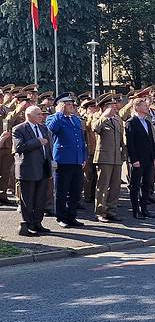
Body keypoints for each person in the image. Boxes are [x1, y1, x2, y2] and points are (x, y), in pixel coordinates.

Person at [45, 94, 88, 228]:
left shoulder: (75, 119)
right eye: (68, 104)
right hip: (63, 160)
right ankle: (61, 217)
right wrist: (58, 113)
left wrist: (84, 156)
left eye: (72, 104)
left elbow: (81, 140)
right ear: (61, 105)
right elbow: (51, 129)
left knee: (75, 191)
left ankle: (71, 216)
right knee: (61, 191)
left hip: (76, 160)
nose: (72, 107)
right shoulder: (53, 118)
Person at [12, 105, 52, 236]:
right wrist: (38, 142)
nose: (42, 116)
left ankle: (37, 222)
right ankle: (28, 224)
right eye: (38, 114)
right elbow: (19, 147)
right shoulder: (19, 129)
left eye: (41, 114)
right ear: (29, 116)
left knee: (40, 198)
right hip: (28, 169)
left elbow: (48, 146)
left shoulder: (43, 127)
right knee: (28, 199)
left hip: (43, 168)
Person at [91, 93, 124, 223]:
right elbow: (95, 128)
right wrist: (104, 116)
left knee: (115, 187)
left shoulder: (116, 119)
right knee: (103, 186)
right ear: (105, 106)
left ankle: (111, 211)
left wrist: (124, 154)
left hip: (116, 157)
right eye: (111, 105)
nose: (115, 107)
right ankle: (100, 212)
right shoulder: (97, 116)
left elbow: (121, 139)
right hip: (104, 157)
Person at [125, 97, 155, 219]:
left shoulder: (148, 123)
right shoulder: (131, 122)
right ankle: (136, 210)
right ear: (137, 107)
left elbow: (151, 141)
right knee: (135, 186)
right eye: (144, 106)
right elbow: (130, 143)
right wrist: (134, 160)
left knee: (146, 184)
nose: (147, 108)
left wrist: (154, 157)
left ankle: (144, 209)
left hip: (148, 159)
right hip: (138, 160)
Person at [80, 98, 99, 208]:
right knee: (88, 175)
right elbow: (87, 127)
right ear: (88, 109)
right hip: (88, 150)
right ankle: (87, 196)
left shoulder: (96, 117)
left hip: (96, 149)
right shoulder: (84, 118)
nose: (95, 109)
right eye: (93, 107)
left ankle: (93, 195)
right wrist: (91, 116)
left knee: (96, 175)